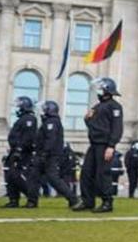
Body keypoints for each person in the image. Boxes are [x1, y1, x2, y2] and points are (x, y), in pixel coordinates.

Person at [71, 77, 123, 213]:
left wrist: (111, 146)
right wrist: (86, 119)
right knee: (86, 173)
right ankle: (88, 201)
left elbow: (117, 128)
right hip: (94, 144)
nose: (98, 91)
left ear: (106, 90)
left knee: (103, 174)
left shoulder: (115, 106)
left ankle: (107, 202)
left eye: (100, 88)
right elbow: (93, 125)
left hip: (105, 145)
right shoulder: (98, 106)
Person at [29, 100, 78, 208]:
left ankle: (73, 198)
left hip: (49, 155)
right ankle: (32, 201)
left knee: (53, 178)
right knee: (34, 176)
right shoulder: (47, 122)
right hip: (42, 154)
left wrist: (45, 153)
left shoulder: (52, 122)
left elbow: (50, 139)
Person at [3, 97, 39, 208]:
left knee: (16, 175)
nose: (17, 109)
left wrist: (19, 149)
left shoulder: (29, 119)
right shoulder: (22, 119)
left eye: (19, 106)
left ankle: (32, 198)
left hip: (23, 152)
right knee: (9, 175)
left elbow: (28, 137)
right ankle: (13, 199)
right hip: (15, 150)